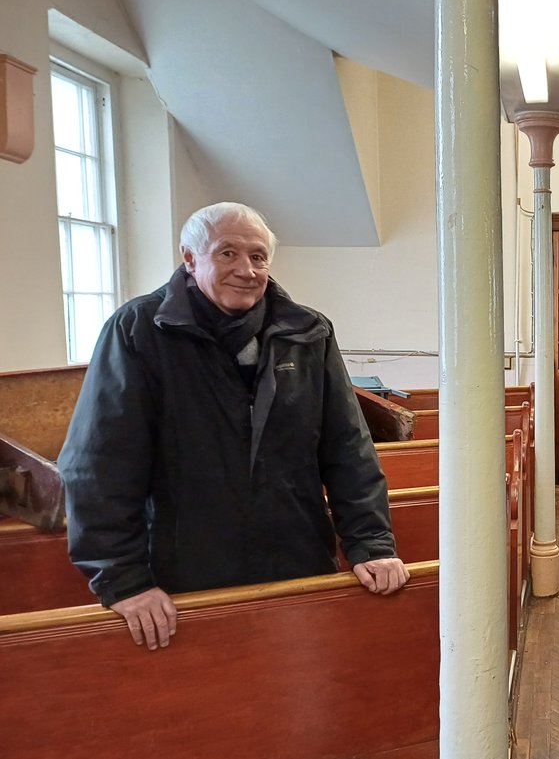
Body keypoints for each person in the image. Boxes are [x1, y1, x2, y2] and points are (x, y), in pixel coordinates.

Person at [59, 202, 408, 650]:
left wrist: (372, 545)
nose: (246, 270)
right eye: (228, 253)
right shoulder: (138, 331)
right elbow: (99, 464)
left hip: (298, 562)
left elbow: (349, 450)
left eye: (258, 256)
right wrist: (123, 581)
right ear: (190, 258)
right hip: (185, 574)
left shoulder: (307, 333)